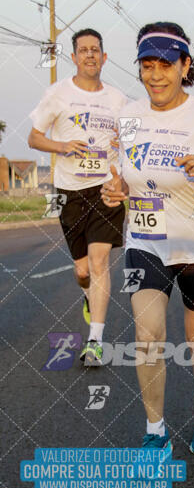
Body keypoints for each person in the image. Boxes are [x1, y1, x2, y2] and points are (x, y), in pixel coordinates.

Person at [101, 21, 194, 453]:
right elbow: (125, 179)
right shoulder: (129, 117)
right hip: (145, 243)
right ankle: (156, 431)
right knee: (147, 336)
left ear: (185, 65)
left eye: (165, 65)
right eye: (147, 65)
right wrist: (116, 191)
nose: (155, 75)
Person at [28, 29, 127, 365]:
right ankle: (87, 295)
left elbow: (128, 144)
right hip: (69, 191)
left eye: (95, 50)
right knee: (82, 270)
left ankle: (95, 342)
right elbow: (34, 137)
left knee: (100, 263)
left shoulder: (118, 100)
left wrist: (122, 176)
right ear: (73, 57)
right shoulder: (57, 94)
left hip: (104, 189)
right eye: (83, 50)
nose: (89, 55)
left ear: (104, 57)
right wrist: (62, 146)